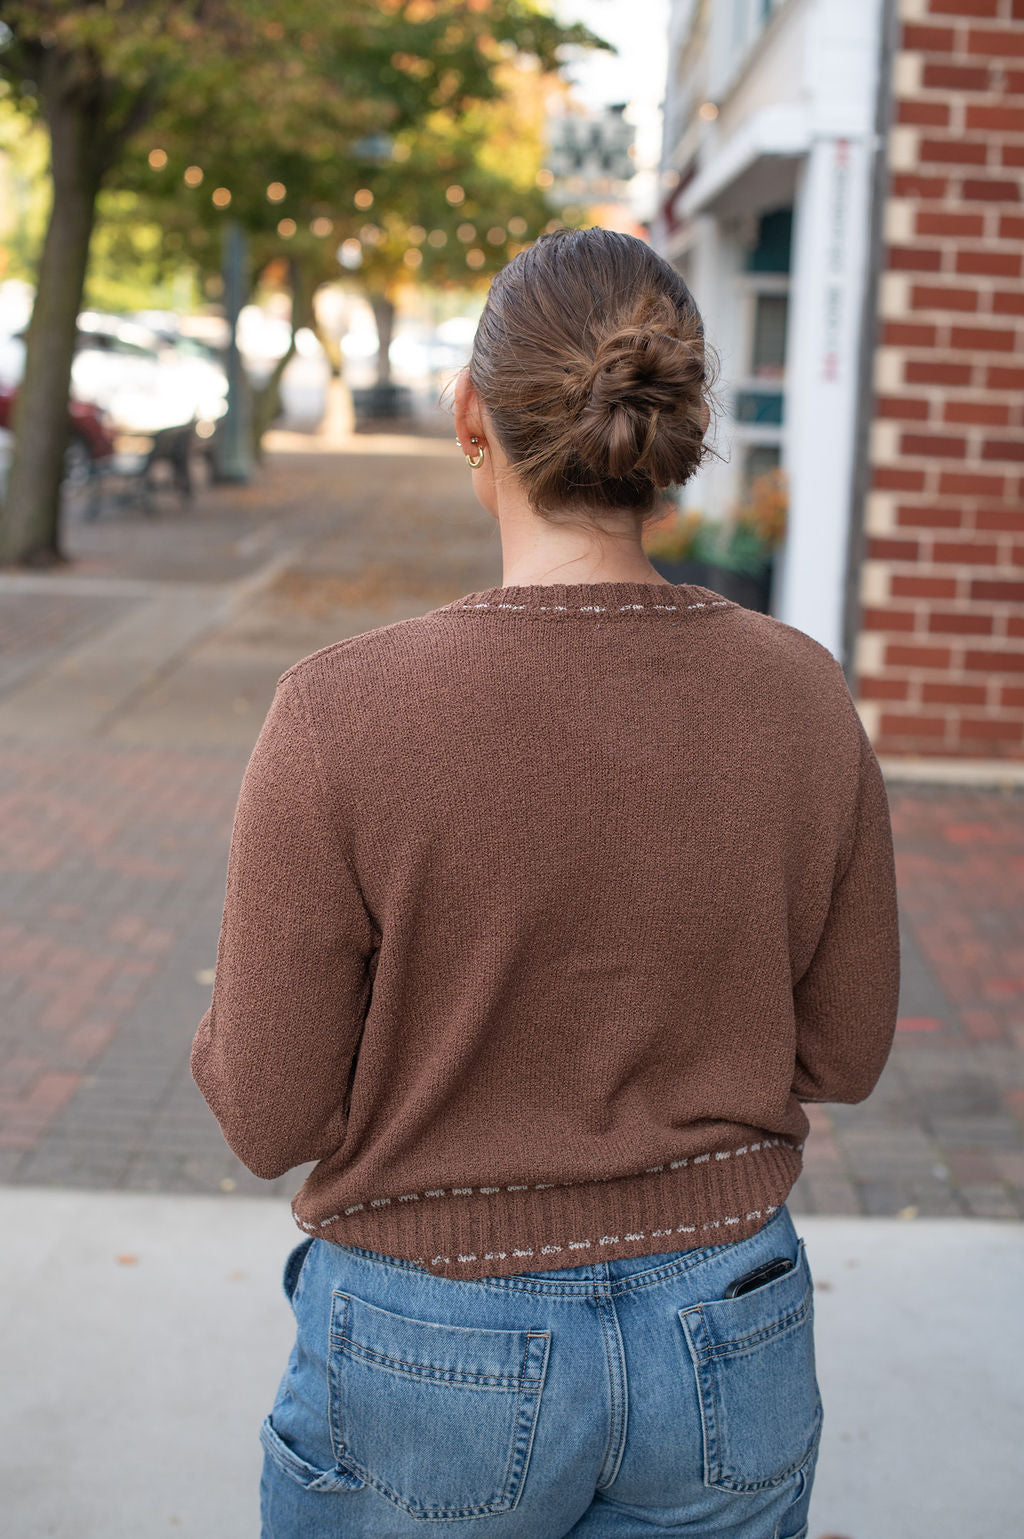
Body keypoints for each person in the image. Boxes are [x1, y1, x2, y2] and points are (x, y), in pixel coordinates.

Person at [191, 227, 901, 1539]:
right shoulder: (803, 694)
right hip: (730, 1326)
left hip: (430, 1330)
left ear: (474, 416)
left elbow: (267, 1110)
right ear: (678, 436)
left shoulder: (341, 712)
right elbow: (848, 1051)